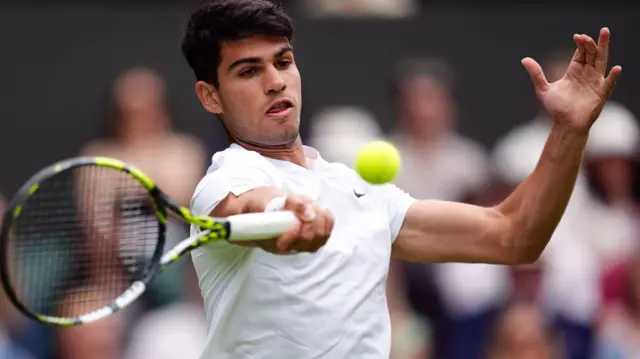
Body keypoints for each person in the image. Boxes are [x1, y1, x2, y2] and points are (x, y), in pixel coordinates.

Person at [180, 1, 621, 358]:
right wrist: (287, 216)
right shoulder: (227, 179)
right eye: (249, 71)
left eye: (284, 61)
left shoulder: (360, 192)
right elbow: (249, 206)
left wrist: (570, 129)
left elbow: (514, 236)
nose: (275, 82)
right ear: (210, 96)